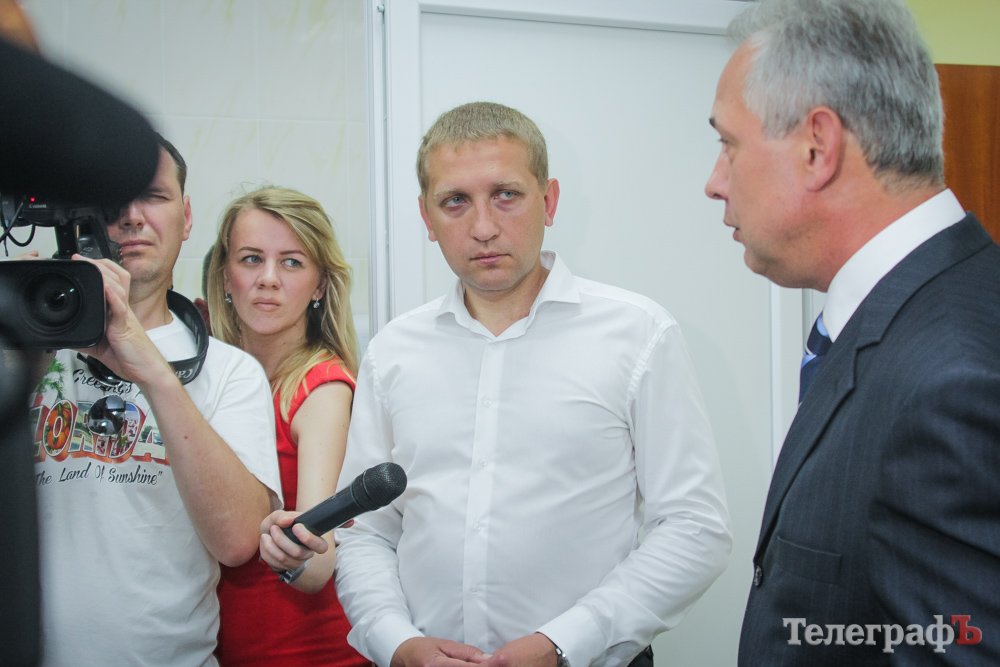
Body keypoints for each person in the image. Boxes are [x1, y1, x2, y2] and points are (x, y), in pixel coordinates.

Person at [324, 101, 732, 667]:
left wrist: (564, 643)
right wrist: (396, 642)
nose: (483, 227)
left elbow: (694, 527)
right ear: (426, 218)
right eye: (455, 201)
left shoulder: (638, 334)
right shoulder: (394, 350)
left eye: (506, 195)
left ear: (550, 200)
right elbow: (366, 531)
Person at [704, 0, 1000, 664]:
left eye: (728, 144)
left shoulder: (952, 380)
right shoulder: (915, 320)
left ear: (817, 147)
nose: (714, 182)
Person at [28, 135, 282, 666]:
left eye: (153, 196)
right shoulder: (24, 350)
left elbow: (238, 541)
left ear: (185, 218)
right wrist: (24, 335)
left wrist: (152, 370)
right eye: (111, 200)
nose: (131, 217)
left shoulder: (229, 371)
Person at [207, 186, 367, 667]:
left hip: (308, 652)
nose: (268, 279)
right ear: (226, 276)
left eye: (292, 262)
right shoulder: (209, 381)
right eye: (251, 259)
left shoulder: (322, 390)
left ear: (320, 286)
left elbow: (319, 561)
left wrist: (294, 552)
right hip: (217, 646)